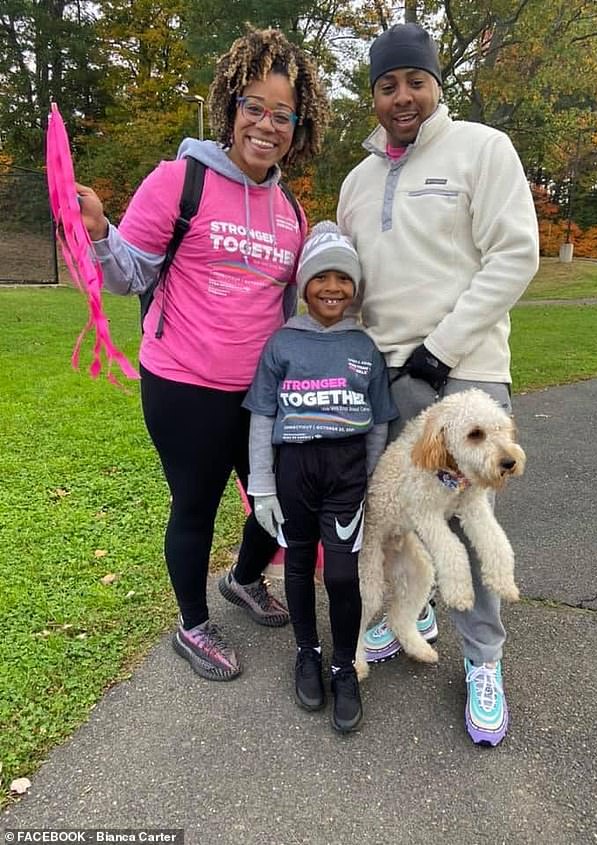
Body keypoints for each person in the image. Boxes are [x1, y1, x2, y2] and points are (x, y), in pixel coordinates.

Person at [76, 28, 330, 682]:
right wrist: (101, 233)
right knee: (194, 504)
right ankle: (192, 625)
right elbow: (128, 274)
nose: (266, 125)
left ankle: (245, 579)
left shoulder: (291, 210)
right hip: (183, 385)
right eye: (255, 106)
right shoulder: (178, 180)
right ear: (231, 106)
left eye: (282, 114)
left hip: (259, 396)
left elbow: (283, 307)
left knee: (285, 499)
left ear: (297, 128)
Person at [337, 23, 539, 745]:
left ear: (435, 84)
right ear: (374, 95)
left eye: (414, 81)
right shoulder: (357, 181)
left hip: (462, 373)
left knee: (471, 519)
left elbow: (516, 255)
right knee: (397, 516)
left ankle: (484, 659)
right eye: (387, 85)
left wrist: (439, 349)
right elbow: (351, 285)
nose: (402, 97)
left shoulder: (482, 149)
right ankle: (410, 612)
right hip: (383, 379)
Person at [243, 222, 398, 732]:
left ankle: (343, 666)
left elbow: (379, 422)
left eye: (343, 279)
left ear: (355, 288)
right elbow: (263, 417)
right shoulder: (282, 343)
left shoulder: (364, 346)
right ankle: (307, 654)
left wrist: (369, 477)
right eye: (320, 278)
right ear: (304, 285)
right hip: (294, 473)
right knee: (298, 565)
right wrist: (261, 483)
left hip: (346, 475)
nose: (332, 287)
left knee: (339, 575)